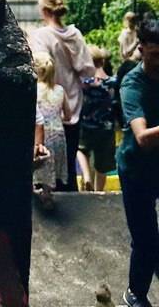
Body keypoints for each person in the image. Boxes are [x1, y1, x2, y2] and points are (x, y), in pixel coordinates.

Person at [31, 0, 94, 190]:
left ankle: (50, 191)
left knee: (46, 156)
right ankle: (69, 189)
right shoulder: (76, 34)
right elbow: (87, 69)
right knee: (70, 150)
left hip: (48, 105)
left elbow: (38, 66)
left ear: (43, 11)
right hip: (73, 103)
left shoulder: (41, 36)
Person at [117, 17, 159, 307]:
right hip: (136, 170)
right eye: (156, 54)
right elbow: (142, 137)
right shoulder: (132, 83)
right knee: (145, 239)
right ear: (141, 49)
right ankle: (135, 294)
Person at [77, 45, 116, 192]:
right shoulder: (113, 82)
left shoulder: (85, 83)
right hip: (107, 127)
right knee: (102, 164)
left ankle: (86, 175)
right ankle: (98, 191)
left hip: (87, 124)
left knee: (80, 150)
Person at [33, 51, 69, 209]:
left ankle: (34, 190)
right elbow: (68, 115)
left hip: (40, 135)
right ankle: (48, 195)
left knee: (38, 163)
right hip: (58, 134)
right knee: (52, 165)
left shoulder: (34, 90)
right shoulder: (60, 90)